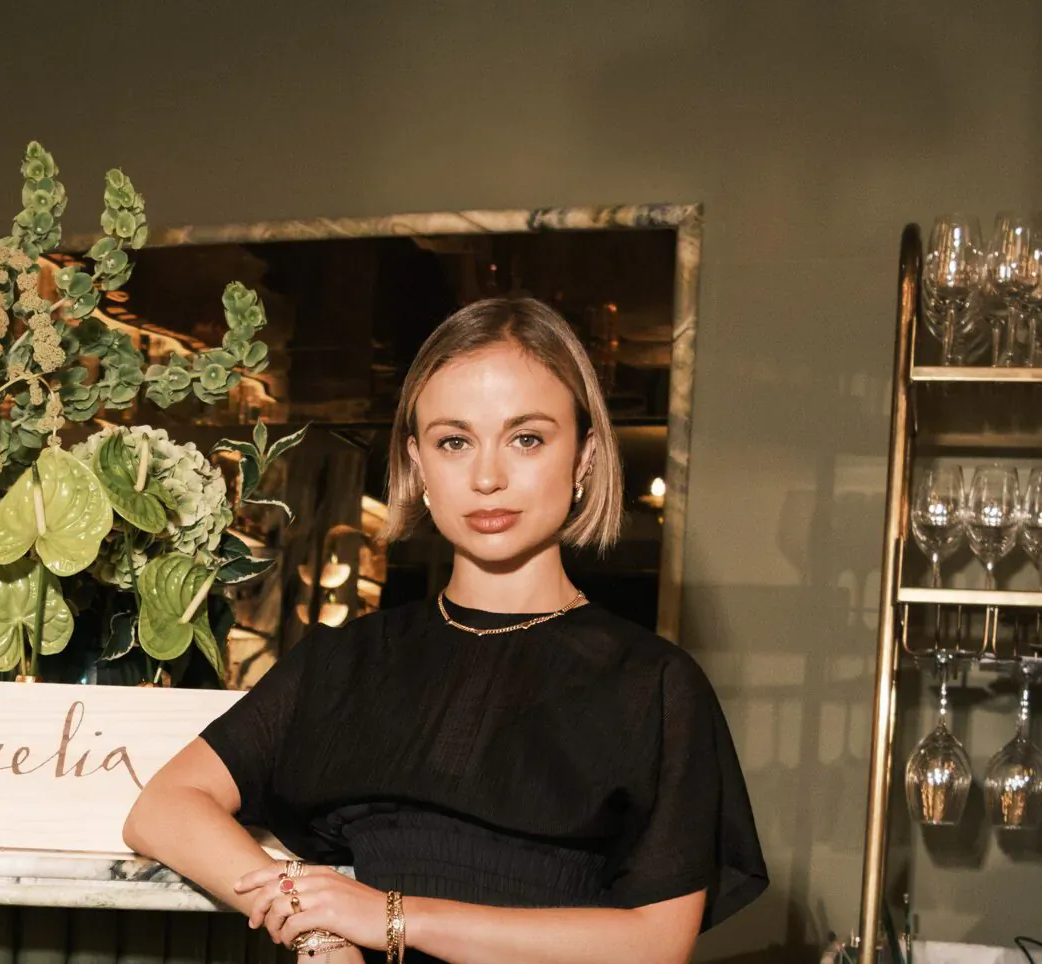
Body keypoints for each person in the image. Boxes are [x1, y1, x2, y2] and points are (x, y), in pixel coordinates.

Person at [122, 297, 767, 963]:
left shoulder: (652, 685)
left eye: (527, 439)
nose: (487, 477)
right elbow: (165, 807)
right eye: (454, 442)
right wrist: (319, 932)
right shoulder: (347, 662)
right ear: (418, 463)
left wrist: (394, 919)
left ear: (585, 459)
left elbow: (656, 945)